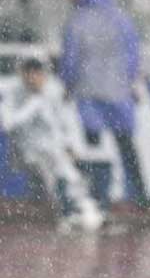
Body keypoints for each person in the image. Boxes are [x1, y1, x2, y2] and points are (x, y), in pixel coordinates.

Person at [60, 0, 150, 212]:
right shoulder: (122, 20)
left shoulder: (76, 22)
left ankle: (97, 197)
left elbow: (70, 59)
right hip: (118, 92)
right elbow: (133, 56)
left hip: (89, 92)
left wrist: (67, 85)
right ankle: (140, 197)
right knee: (126, 145)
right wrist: (131, 83)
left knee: (93, 147)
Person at [0, 58, 104, 231]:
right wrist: (33, 105)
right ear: (23, 75)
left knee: (67, 176)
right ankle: (70, 212)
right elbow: (8, 123)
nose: (34, 79)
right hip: (27, 150)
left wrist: (73, 145)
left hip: (54, 147)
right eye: (29, 75)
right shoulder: (13, 92)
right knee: (52, 179)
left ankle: (81, 212)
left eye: (37, 74)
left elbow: (68, 120)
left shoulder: (54, 90)